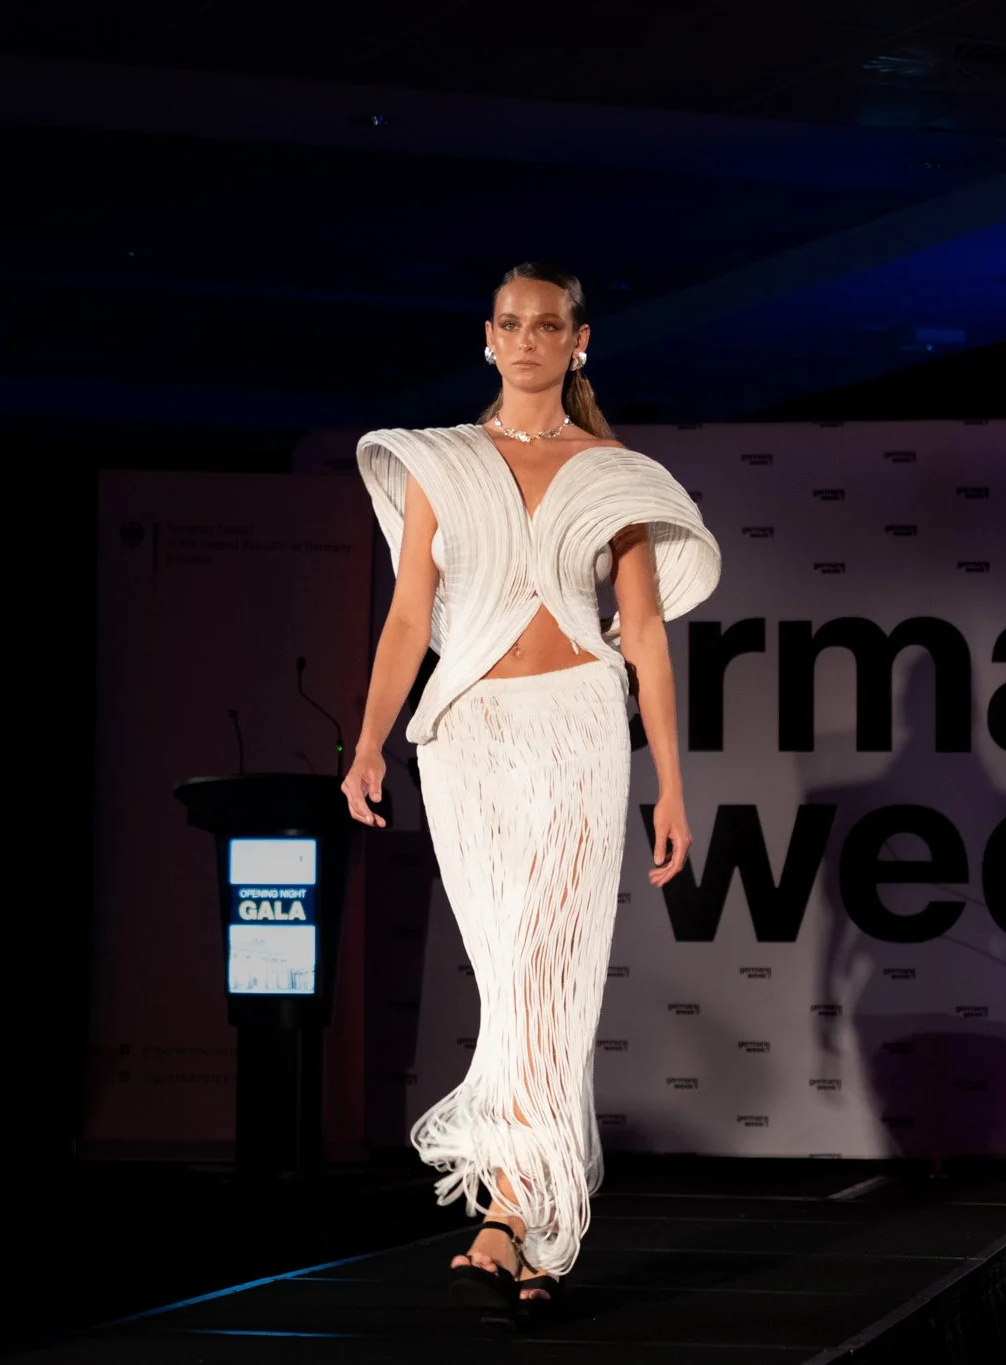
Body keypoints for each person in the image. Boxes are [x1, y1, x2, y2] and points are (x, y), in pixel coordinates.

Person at [343, 262, 720, 1315]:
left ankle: (508, 1214)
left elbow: (640, 634)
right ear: (486, 336)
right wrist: (369, 740)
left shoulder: (613, 471)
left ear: (577, 341)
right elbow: (410, 614)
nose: (524, 340)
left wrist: (672, 788)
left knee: (545, 973)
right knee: (510, 973)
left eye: (544, 325)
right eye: (508, 324)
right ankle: (544, 1220)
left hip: (573, 727)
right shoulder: (442, 464)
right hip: (464, 736)